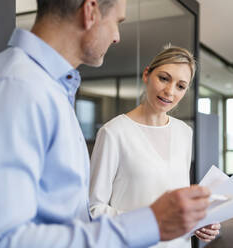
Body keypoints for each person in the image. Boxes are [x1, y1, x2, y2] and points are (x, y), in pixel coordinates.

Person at [0, 0, 211, 247]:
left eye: (181, 86)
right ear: (90, 10)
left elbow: (70, 212)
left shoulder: (53, 91)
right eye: (117, 22)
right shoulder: (18, 87)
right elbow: (0, 239)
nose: (116, 37)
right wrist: (149, 223)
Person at [89, 45, 221, 247]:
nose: (169, 91)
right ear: (147, 75)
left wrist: (197, 222)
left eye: (180, 86)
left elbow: (177, 202)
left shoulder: (184, 132)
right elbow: (94, 208)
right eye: (164, 78)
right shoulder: (113, 133)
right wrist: (150, 221)